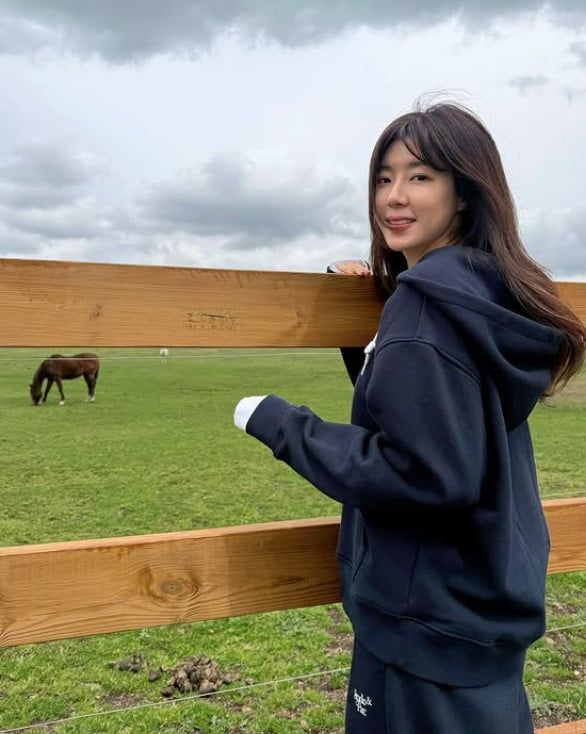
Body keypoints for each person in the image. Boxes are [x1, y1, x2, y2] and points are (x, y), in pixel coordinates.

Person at [233, 103, 586, 733]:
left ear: (465, 192)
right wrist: (369, 344)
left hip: (419, 623)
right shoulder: (486, 292)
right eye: (383, 177)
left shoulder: (424, 310)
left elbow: (424, 472)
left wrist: (280, 424)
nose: (394, 196)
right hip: (480, 607)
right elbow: (436, 412)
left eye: (420, 176)